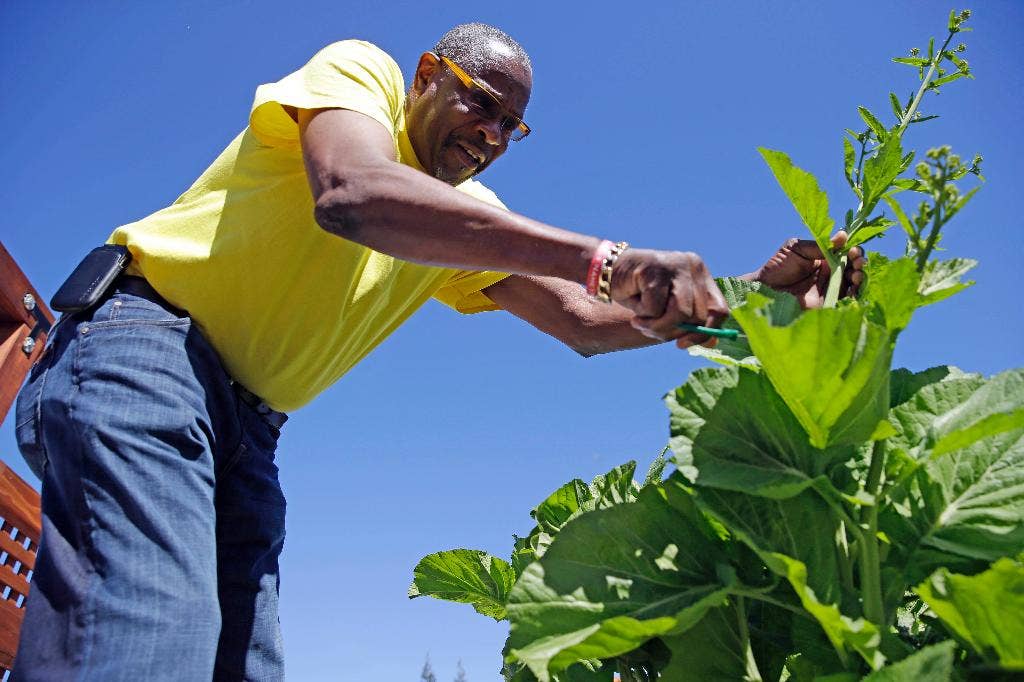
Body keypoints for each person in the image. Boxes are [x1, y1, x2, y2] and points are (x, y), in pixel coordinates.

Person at [13, 23, 864, 681]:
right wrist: (603, 257)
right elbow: (351, 194)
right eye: (480, 102)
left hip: (249, 438)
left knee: (242, 664)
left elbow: (584, 324)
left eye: (512, 126)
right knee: (148, 631)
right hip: (147, 352)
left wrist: (759, 298)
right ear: (426, 73)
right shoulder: (361, 79)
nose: (491, 133)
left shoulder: (465, 219)